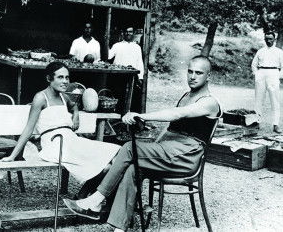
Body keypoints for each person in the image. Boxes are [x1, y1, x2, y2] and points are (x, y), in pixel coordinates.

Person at [63, 56, 221, 231]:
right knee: (132, 168)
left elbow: (177, 114)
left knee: (130, 148)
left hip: (186, 156)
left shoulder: (209, 102)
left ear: (208, 76)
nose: (192, 76)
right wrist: (155, 144)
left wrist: (141, 116)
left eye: (198, 73)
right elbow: (170, 128)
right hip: (170, 150)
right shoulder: (187, 96)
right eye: (190, 71)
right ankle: (119, 228)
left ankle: (96, 200)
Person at [1, 61, 120, 184]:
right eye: (60, 77)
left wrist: (76, 115)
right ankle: (86, 196)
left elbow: (74, 106)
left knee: (115, 156)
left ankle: (85, 197)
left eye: (67, 77)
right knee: (105, 164)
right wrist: (12, 156)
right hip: (55, 144)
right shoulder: (40, 98)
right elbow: (29, 128)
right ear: (49, 78)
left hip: (71, 140)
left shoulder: (64, 97)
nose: (65, 81)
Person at [251, 31, 283, 133]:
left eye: (270, 39)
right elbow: (254, 64)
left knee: (275, 101)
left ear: (274, 39)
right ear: (264, 39)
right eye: (267, 39)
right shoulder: (260, 51)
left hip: (273, 73)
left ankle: (275, 124)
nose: (268, 41)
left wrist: (278, 76)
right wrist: (257, 74)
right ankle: (256, 122)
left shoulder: (279, 52)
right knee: (259, 100)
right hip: (261, 73)